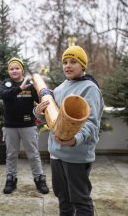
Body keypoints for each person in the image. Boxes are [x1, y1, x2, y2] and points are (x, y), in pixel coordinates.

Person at [34, 46, 104, 215]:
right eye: (65, 62)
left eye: (73, 62)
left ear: (83, 66)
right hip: (56, 154)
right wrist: (38, 112)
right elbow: (52, 119)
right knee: (63, 199)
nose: (68, 65)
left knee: (80, 200)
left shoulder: (90, 89)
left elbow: (91, 123)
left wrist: (74, 140)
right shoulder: (58, 89)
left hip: (76, 155)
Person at [0, 57, 49, 195]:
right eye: (11, 68)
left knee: (33, 154)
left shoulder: (30, 85)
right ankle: (11, 180)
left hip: (28, 125)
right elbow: (3, 95)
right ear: (9, 71)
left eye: (17, 68)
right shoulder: (6, 84)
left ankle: (39, 179)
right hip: (10, 126)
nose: (14, 70)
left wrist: (47, 94)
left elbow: (40, 100)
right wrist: (19, 89)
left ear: (22, 70)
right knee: (11, 155)